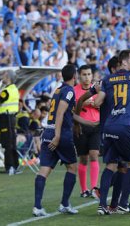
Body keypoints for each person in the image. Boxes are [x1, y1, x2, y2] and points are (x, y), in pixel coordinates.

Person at [93, 50, 130, 215]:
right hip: (124, 125)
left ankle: (102, 205)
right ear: (124, 62)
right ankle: (123, 203)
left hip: (109, 125)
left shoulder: (107, 79)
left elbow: (98, 102)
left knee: (111, 165)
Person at [32, 64, 79, 217]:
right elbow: (60, 113)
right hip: (61, 133)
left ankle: (37, 207)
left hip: (47, 131)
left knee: (44, 170)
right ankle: (65, 204)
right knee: (72, 167)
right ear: (74, 76)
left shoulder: (58, 90)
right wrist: (58, 136)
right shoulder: (69, 91)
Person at [73, 65, 100, 198]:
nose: (87, 77)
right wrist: (82, 103)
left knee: (94, 154)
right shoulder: (74, 91)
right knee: (83, 158)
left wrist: (96, 104)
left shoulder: (97, 89)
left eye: (89, 74)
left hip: (96, 126)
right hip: (80, 126)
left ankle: (94, 187)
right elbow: (70, 110)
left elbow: (103, 106)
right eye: (84, 74)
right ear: (79, 76)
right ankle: (84, 189)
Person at [0, 71, 20, 175]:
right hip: (12, 118)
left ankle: (9, 167)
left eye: (4, 76)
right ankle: (15, 166)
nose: (2, 78)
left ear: (8, 78)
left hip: (6, 119)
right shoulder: (14, 89)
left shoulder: (7, 90)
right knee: (12, 143)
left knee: (7, 143)